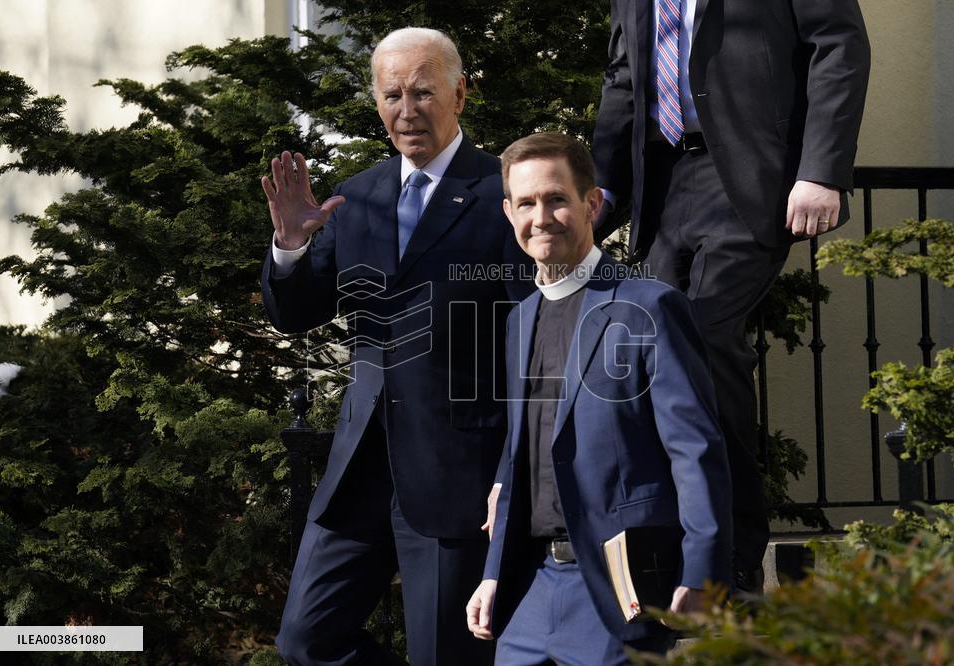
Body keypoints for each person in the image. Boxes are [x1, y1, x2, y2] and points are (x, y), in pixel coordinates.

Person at [261, 27, 532, 666]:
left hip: (455, 473)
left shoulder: (506, 194)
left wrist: (510, 471)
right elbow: (295, 315)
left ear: (460, 94)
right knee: (306, 641)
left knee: (446, 655)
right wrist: (292, 248)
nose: (407, 111)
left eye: (423, 93)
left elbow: (533, 342)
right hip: (359, 469)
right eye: (392, 96)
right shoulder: (356, 197)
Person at [592, 0, 871, 590]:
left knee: (705, 335)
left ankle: (733, 556)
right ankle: (677, 547)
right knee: (659, 361)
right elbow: (624, 77)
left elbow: (838, 46)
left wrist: (821, 170)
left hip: (750, 177)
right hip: (663, 183)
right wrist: (602, 191)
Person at [466, 132, 732, 663]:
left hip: (620, 589)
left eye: (556, 199)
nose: (540, 217)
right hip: (530, 591)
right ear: (508, 212)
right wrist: (494, 572)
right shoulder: (520, 321)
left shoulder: (649, 308)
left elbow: (695, 450)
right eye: (525, 203)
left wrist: (703, 571)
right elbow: (520, 459)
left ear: (590, 203)